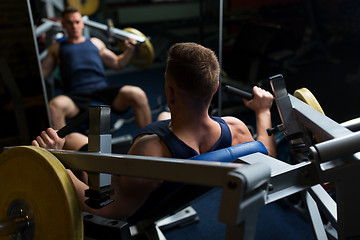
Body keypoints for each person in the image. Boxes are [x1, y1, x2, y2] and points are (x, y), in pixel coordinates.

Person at [33, 42, 276, 220]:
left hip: (126, 177)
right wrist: (263, 111)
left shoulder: (149, 150)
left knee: (72, 141)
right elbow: (268, 157)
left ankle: (74, 166)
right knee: (163, 117)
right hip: (181, 164)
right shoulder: (236, 130)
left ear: (170, 93)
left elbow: (109, 209)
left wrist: (56, 160)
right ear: (213, 91)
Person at [41, 6, 152, 131]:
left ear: (82, 23)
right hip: (76, 96)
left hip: (102, 92)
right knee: (55, 106)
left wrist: (129, 50)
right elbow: (42, 74)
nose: (74, 26)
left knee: (137, 94)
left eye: (77, 22)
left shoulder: (95, 43)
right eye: (69, 23)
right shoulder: (57, 48)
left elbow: (118, 64)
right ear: (63, 25)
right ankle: (62, 149)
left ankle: (147, 140)